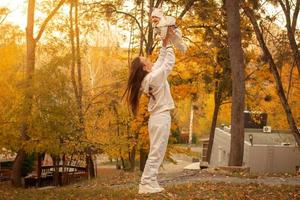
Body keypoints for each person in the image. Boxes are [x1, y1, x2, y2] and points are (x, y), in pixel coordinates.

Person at [124, 27, 176, 194]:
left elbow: (160, 62)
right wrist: (168, 46)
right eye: (145, 59)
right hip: (160, 118)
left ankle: (151, 181)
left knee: (158, 152)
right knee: (156, 152)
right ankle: (145, 183)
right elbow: (167, 64)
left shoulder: (151, 76)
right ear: (144, 67)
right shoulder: (153, 78)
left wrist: (164, 42)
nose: (148, 59)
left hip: (159, 118)